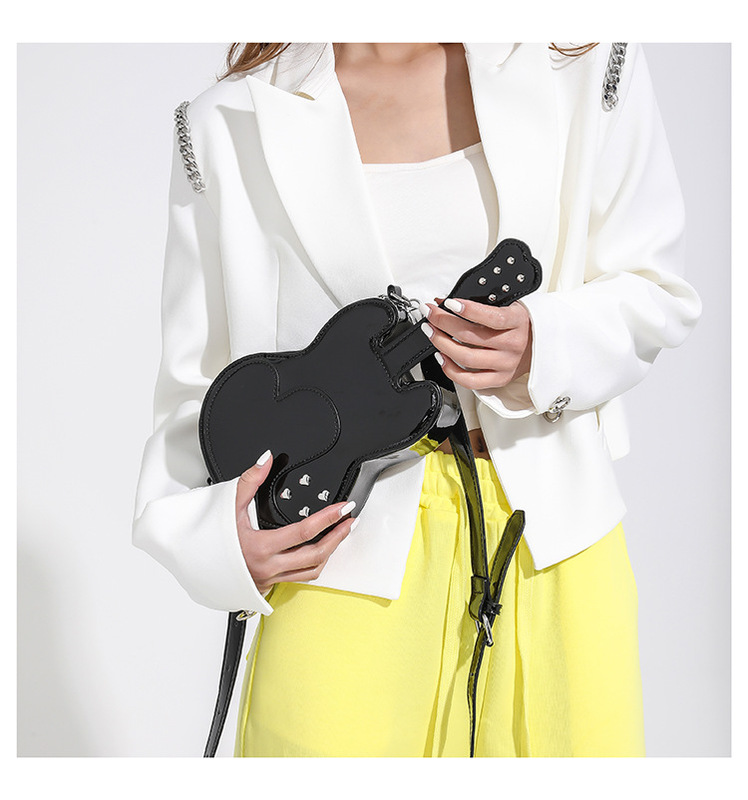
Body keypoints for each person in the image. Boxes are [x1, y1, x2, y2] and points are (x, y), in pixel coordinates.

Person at [133, 42, 702, 757]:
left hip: (552, 546)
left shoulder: (580, 56)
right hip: (340, 558)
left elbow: (655, 286)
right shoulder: (228, 120)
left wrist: (544, 343)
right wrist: (222, 542)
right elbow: (198, 392)